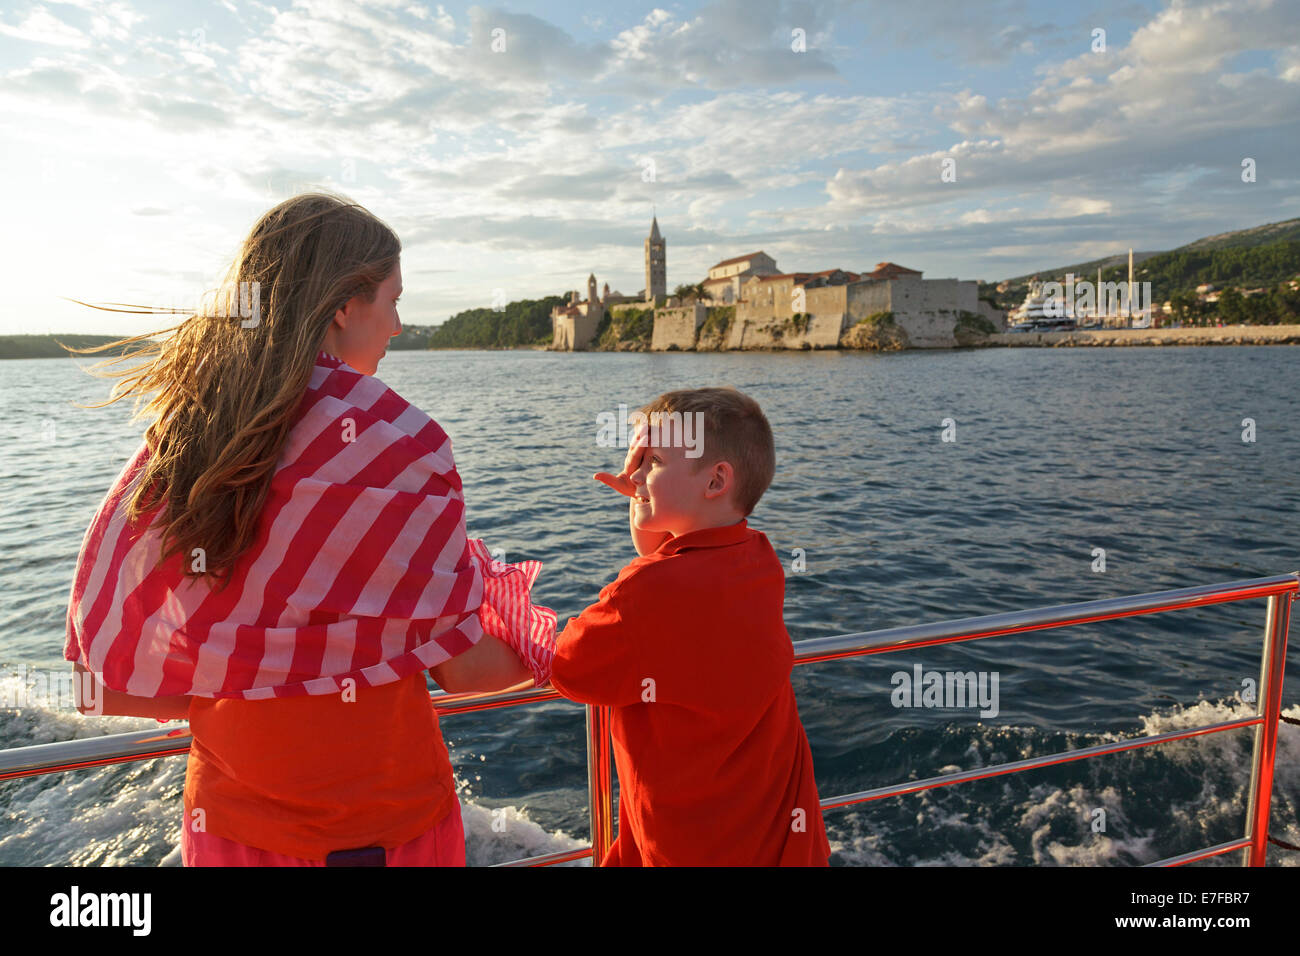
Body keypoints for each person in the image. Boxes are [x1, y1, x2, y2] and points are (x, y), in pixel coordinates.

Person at [63, 192, 555, 867]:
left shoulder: (185, 439)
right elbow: (463, 669)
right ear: (345, 306)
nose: (400, 324)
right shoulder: (400, 447)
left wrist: (257, 676)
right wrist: (555, 647)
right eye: (392, 300)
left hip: (235, 829)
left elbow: (114, 675)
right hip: (388, 826)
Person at [544, 387, 831, 866]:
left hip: (691, 847)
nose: (632, 473)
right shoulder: (758, 558)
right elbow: (677, 565)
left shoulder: (647, 592)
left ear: (716, 480)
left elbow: (566, 668)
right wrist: (645, 496)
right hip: (776, 836)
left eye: (651, 459)